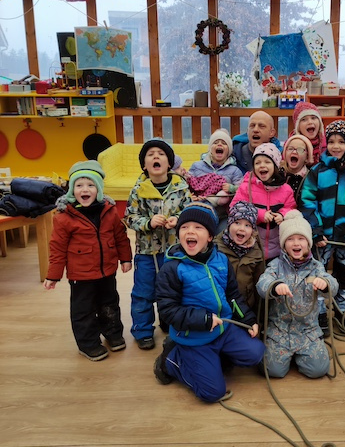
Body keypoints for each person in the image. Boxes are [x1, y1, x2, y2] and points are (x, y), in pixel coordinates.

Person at [153, 201, 265, 403]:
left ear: (210, 236)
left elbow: (233, 295)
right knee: (212, 393)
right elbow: (167, 310)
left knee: (256, 353)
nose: (190, 231)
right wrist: (203, 319)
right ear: (178, 234)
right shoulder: (171, 269)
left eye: (198, 227)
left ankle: (214, 359)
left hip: (223, 330)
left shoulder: (221, 260)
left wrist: (248, 319)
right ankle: (171, 360)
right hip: (194, 337)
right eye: (184, 227)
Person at [44, 160, 132, 361]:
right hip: (81, 275)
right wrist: (53, 275)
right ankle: (88, 343)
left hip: (107, 270)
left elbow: (120, 236)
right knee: (83, 310)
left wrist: (125, 258)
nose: (85, 189)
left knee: (109, 303)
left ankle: (113, 333)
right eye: (79, 185)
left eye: (91, 185)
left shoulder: (109, 211)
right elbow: (57, 248)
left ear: (99, 189)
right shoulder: (63, 217)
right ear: (71, 190)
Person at [299, 120, 345, 321]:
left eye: (341, 142)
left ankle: (344, 309)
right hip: (323, 238)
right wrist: (315, 231)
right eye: (331, 141)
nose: (336, 146)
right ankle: (319, 312)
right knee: (318, 273)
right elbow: (307, 201)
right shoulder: (318, 171)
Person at [124, 138, 191, 350]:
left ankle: (169, 320)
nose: (156, 157)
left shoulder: (181, 188)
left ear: (169, 163)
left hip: (174, 252)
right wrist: (148, 222)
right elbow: (130, 217)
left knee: (172, 289)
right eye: (150, 154)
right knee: (143, 293)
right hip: (146, 252)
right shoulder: (138, 190)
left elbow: (189, 212)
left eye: (161, 154)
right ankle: (143, 330)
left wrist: (178, 219)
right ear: (144, 165)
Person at [256, 210, 338, 378]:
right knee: (272, 370)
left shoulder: (316, 267)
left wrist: (325, 284)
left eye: (301, 238)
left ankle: (299, 356)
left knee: (318, 370)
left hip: (308, 331)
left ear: (308, 243)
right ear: (283, 244)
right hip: (279, 330)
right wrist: (275, 286)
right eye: (290, 239)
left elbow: (333, 285)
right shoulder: (275, 265)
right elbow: (262, 283)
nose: (296, 243)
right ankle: (286, 357)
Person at [231, 143, 296, 262]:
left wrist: (282, 214)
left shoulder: (286, 189)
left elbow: (291, 208)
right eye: (257, 163)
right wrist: (259, 214)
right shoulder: (247, 187)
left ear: (275, 165)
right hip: (251, 246)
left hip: (277, 248)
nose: (262, 165)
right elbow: (235, 208)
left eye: (267, 162)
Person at [214, 200, 265, 314]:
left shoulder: (256, 253)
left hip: (246, 307)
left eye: (247, 225)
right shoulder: (216, 248)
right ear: (229, 224)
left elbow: (259, 285)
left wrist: (259, 316)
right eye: (237, 223)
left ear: (252, 230)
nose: (242, 228)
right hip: (221, 307)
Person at [188, 128, 244, 230]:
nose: (219, 144)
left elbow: (243, 190)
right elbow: (186, 184)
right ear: (210, 148)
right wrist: (190, 195)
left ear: (229, 150)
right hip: (198, 210)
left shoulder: (234, 171)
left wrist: (232, 188)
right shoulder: (197, 166)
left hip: (222, 214)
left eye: (224, 143)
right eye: (215, 142)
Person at [290, 101, 326, 165]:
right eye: (304, 119)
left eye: (313, 118)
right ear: (298, 126)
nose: (310, 122)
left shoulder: (328, 143)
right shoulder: (290, 146)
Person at [281, 133, 313, 203]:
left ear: (307, 157)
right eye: (290, 149)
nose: (294, 152)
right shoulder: (279, 174)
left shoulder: (310, 178)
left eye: (300, 149)